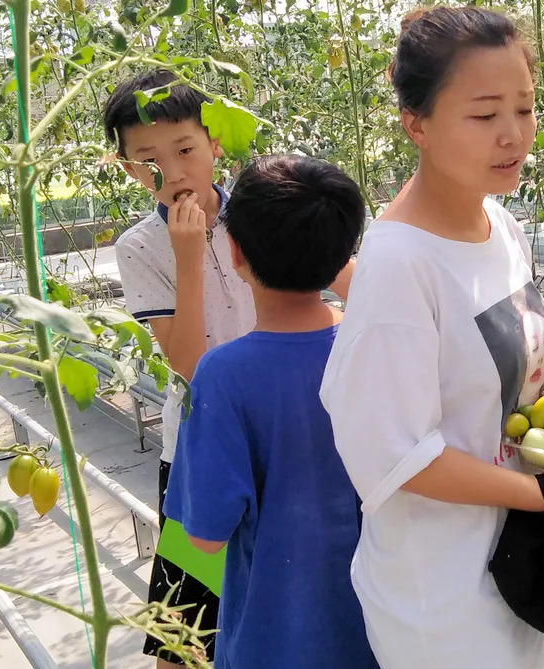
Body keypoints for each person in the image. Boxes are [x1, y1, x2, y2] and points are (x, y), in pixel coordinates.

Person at [320, 6, 544, 668]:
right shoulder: (400, 265)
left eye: (525, 108)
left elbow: (490, 370)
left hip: (514, 567)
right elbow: (402, 456)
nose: (513, 135)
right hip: (440, 595)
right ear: (416, 124)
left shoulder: (500, 226)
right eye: (485, 116)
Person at [103, 69, 355, 667]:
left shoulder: (265, 211)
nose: (175, 171)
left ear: (215, 144)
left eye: (186, 149)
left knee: (288, 597)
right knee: (183, 630)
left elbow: (350, 280)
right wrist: (188, 260)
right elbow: (192, 363)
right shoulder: (139, 246)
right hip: (202, 450)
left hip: (292, 431)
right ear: (129, 168)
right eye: (150, 160)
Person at [164, 154, 377, 669]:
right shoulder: (374, 344)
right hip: (383, 628)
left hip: (277, 638)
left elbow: (205, 537)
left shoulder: (224, 375)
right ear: (344, 254)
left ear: (235, 251)